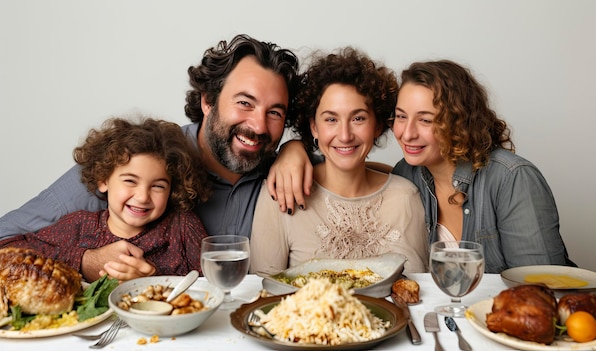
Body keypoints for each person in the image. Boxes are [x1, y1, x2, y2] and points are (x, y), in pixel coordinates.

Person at [0, 34, 300, 280]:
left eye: (275, 112)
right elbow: (6, 240)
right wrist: (85, 261)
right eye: (245, 102)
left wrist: (295, 148)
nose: (260, 126)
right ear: (208, 101)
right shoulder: (136, 159)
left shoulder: (289, 171)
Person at [267, 60, 575, 274]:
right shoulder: (410, 174)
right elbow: (352, 168)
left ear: (459, 122)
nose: (407, 133)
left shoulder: (511, 179)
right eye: (401, 116)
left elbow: (544, 287)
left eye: (426, 120)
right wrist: (294, 150)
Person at [249, 48, 429, 275]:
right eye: (331, 119)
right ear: (314, 126)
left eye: (358, 118)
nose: (345, 135)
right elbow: (264, 294)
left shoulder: (406, 197)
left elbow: (420, 291)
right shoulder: (279, 194)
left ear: (377, 125)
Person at [0, 117, 211, 282]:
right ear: (103, 180)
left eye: (157, 186)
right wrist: (82, 260)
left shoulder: (182, 226)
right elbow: (9, 250)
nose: (142, 196)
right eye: (130, 181)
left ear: (172, 189)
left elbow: (213, 283)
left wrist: (154, 282)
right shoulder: (78, 226)